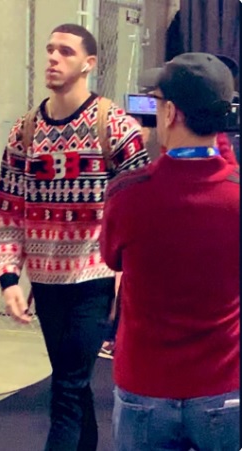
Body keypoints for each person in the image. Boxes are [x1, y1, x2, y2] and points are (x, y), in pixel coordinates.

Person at [0, 23, 150, 451]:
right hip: (46, 279)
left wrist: (126, 273)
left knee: (65, 387)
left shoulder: (115, 126)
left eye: (65, 51)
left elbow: (139, 209)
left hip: (95, 277)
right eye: (49, 50)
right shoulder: (25, 131)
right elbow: (8, 208)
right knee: (73, 386)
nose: (53, 59)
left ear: (89, 64)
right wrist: (9, 278)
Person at [100, 52, 240, 451]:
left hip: (145, 388)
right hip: (222, 387)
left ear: (170, 113)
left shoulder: (128, 194)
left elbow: (112, 259)